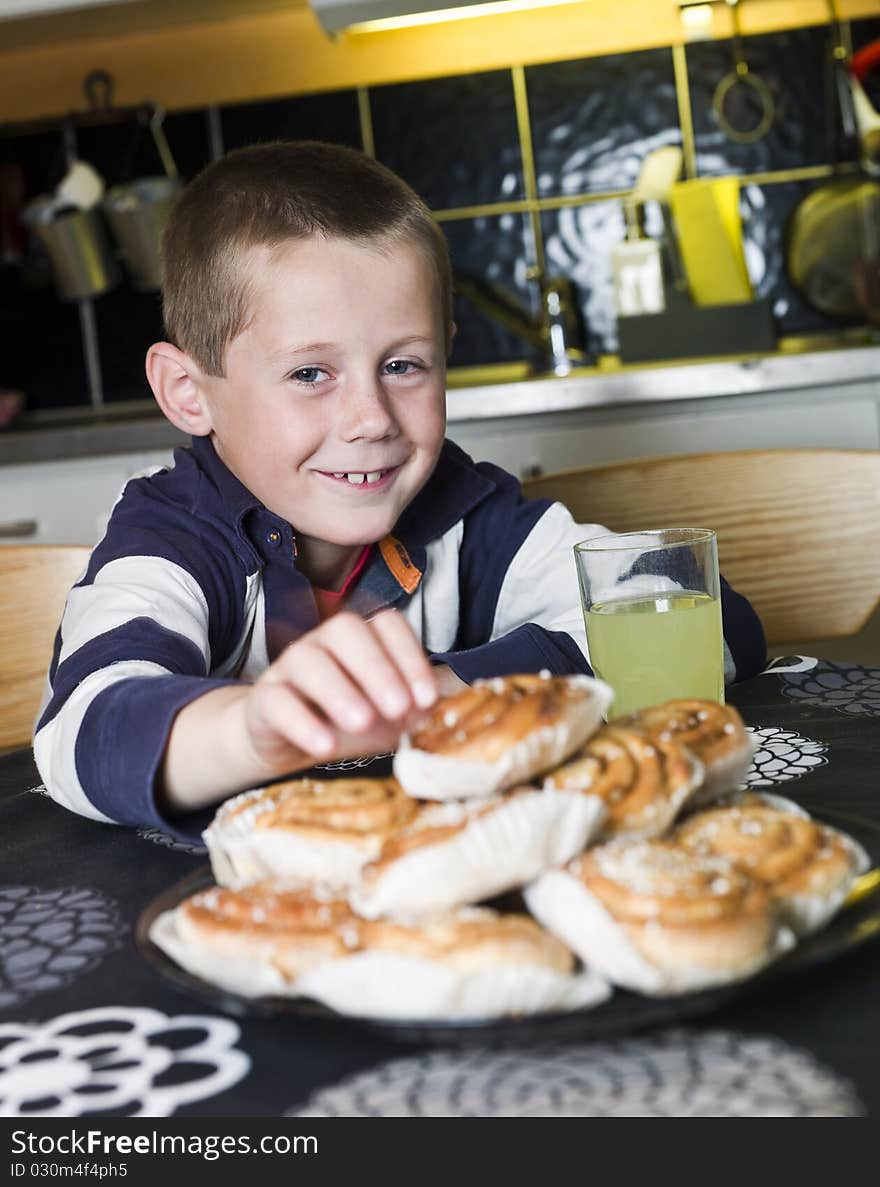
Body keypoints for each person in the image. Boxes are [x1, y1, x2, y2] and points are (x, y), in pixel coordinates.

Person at [33, 141, 766, 839]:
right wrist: (254, 727)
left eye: (403, 365)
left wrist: (445, 691)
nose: (370, 420)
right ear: (190, 392)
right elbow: (87, 726)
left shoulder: (467, 513)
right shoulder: (172, 535)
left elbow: (709, 618)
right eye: (310, 373)